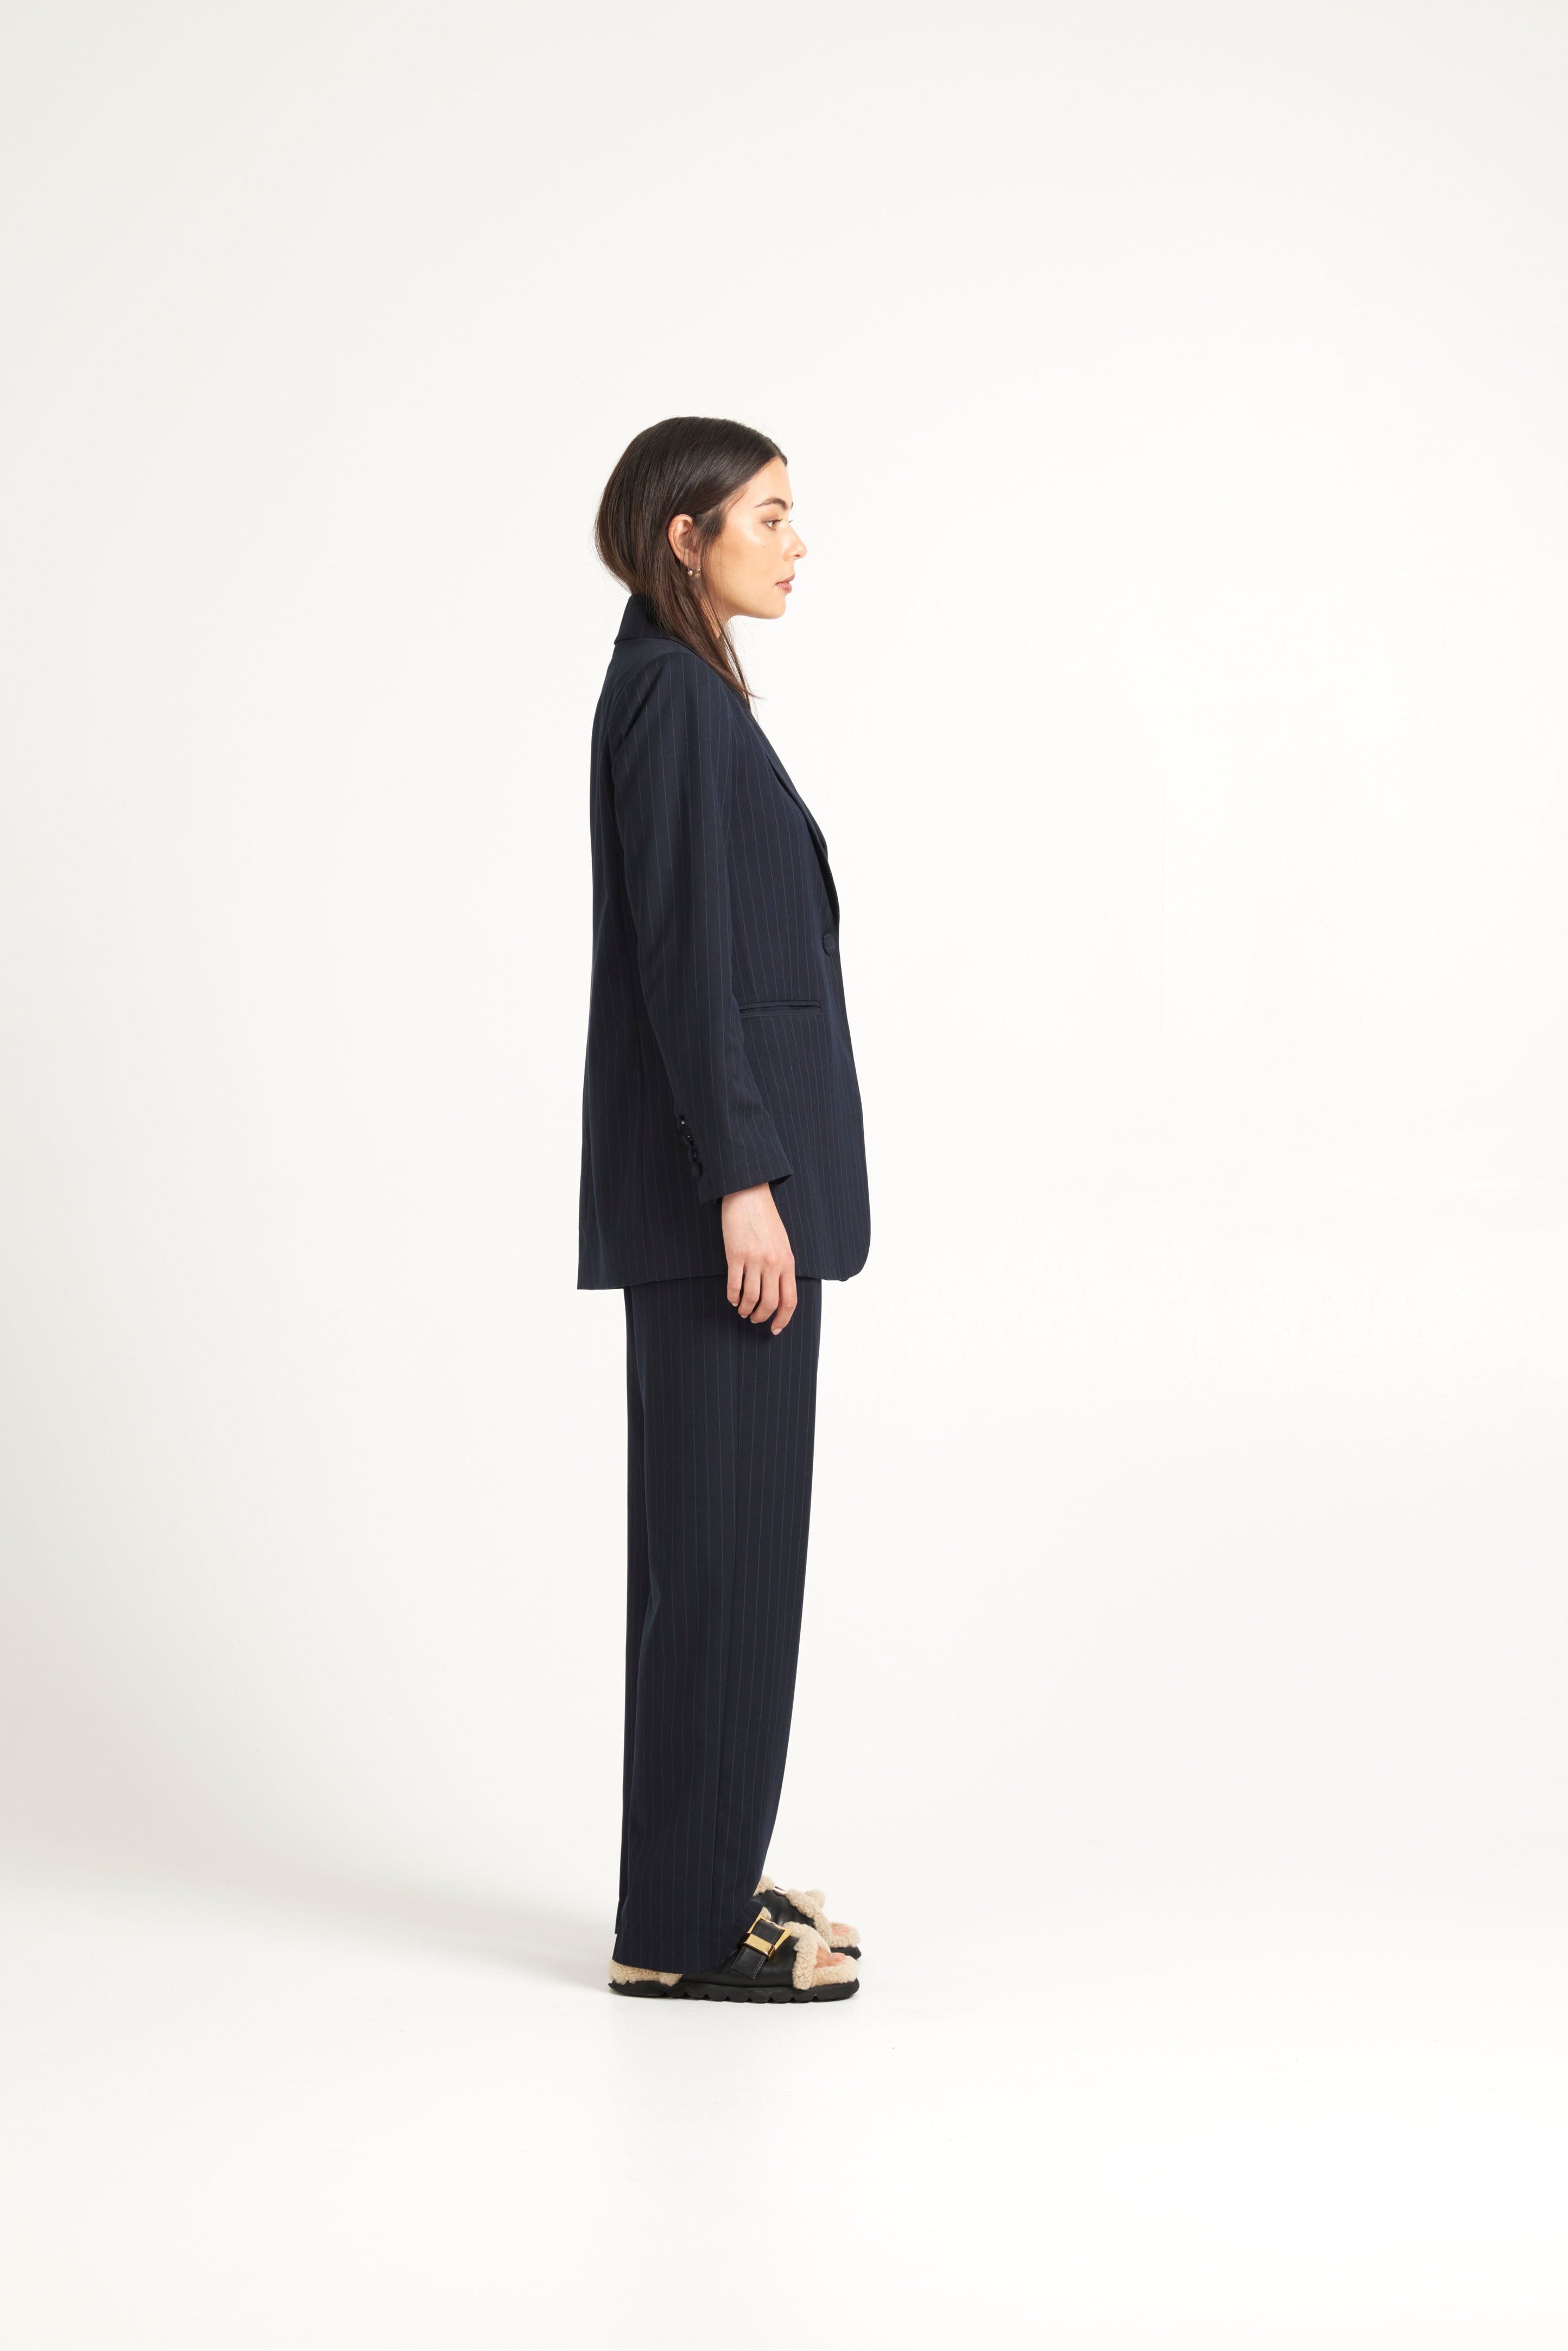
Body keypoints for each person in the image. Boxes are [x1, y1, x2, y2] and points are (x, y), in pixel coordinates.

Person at [579, 416, 871, 2004]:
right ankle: (690, 1933)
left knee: (716, 1554)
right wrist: (744, 1182)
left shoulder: (674, 687)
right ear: (684, 536)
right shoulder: (678, 700)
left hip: (726, 1193)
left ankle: (691, 1885)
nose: (796, 541)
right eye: (768, 514)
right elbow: (689, 966)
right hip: (732, 1206)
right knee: (726, 1560)